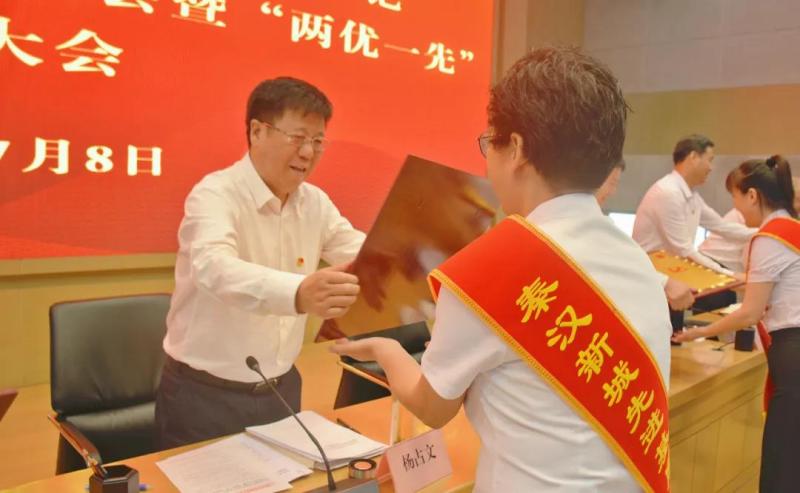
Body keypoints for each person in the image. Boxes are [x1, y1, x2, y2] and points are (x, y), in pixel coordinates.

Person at [332, 47, 671, 492]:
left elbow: (433, 407)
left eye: (489, 141)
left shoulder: (492, 268)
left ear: (517, 149)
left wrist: (385, 351)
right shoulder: (637, 262)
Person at [155, 77, 365, 449]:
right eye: (297, 137)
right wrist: (298, 293)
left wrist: (412, 255)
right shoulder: (214, 194)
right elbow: (214, 267)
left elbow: (360, 253)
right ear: (257, 131)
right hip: (203, 396)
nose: (308, 152)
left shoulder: (314, 203)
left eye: (318, 141)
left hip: (281, 390)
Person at [673, 156, 799, 492]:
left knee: (782, 465)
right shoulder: (793, 229)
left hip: (792, 355)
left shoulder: (771, 236)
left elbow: (750, 313)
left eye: (736, 197)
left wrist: (698, 332)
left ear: (753, 196)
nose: (737, 208)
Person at [632, 135, 754, 277]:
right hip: (651, 275)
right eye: (709, 160)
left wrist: (763, 233)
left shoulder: (691, 196)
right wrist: (730, 274)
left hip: (669, 273)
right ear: (694, 157)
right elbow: (684, 250)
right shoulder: (668, 192)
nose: (711, 168)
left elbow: (722, 226)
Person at [597, 162, 695, 311]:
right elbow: (613, 257)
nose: (612, 191)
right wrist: (665, 282)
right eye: (612, 183)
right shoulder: (666, 192)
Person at [698, 168, 750, 272]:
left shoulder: (750, 214)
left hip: (714, 263)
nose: (710, 167)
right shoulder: (742, 213)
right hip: (712, 264)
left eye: (734, 196)